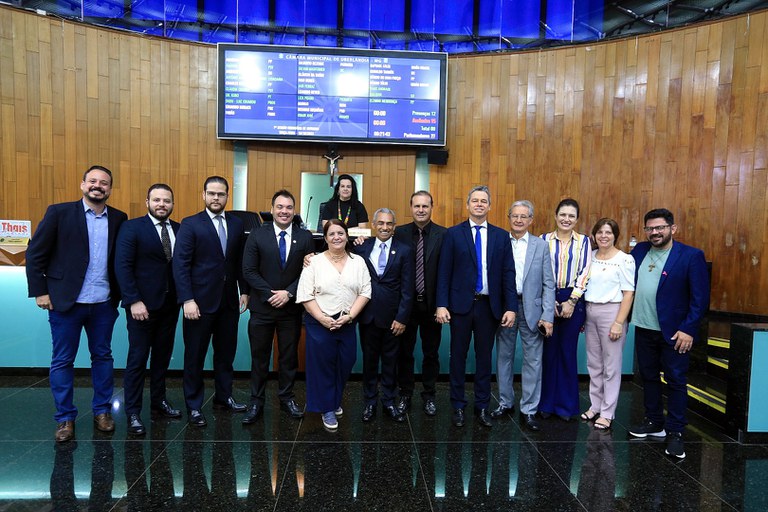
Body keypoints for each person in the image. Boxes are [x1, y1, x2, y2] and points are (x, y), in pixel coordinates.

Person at [26, 165, 128, 443]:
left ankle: (102, 412)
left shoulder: (119, 218)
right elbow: (35, 254)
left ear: (110, 189)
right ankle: (65, 418)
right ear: (82, 184)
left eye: (104, 183)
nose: (98, 186)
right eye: (93, 181)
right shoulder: (59, 213)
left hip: (103, 303)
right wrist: (40, 291)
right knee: (62, 360)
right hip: (65, 303)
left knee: (103, 357)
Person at [628, 208, 709, 459]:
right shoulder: (639, 251)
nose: (655, 232)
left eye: (660, 227)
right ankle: (654, 422)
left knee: (675, 380)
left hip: (675, 332)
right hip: (644, 327)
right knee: (648, 377)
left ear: (672, 228)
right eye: (650, 228)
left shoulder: (691, 256)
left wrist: (688, 329)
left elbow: (700, 299)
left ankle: (675, 432)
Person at [435, 185, 518, 428]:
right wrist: (441, 304)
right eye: (475, 201)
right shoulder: (453, 234)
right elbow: (444, 272)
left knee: (484, 359)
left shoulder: (501, 236)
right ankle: (458, 406)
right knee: (458, 358)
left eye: (483, 201)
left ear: (490, 206)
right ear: (468, 205)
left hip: (488, 307)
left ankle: (482, 406)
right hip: (460, 306)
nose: (479, 204)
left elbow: (508, 274)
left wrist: (511, 307)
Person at [173, 176, 250, 427]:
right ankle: (194, 406)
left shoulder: (237, 224)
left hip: (228, 303)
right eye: (212, 193)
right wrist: (187, 299)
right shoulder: (190, 224)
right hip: (198, 304)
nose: (216, 198)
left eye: (221, 194)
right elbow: (181, 264)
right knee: (194, 356)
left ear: (227, 196)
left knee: (225, 354)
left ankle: (223, 397)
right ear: (204, 195)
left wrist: (244, 291)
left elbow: (238, 261)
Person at [115, 183, 183, 436]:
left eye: (166, 200)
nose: (161, 204)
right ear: (147, 202)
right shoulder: (132, 227)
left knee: (162, 357)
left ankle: (158, 402)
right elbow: (122, 265)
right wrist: (133, 300)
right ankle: (133, 411)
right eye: (157, 200)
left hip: (170, 305)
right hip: (141, 306)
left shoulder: (179, 229)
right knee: (137, 359)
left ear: (172, 204)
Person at [241, 190, 314, 424]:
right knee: (259, 357)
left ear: (294, 211)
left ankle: (287, 398)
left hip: (290, 309)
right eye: (280, 207)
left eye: (289, 207)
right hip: (262, 308)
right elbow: (248, 270)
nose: (284, 211)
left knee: (288, 357)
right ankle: (256, 401)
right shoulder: (256, 234)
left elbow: (309, 272)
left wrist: (288, 293)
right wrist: (269, 294)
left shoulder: (305, 237)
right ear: (272, 209)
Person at [296, 219, 371, 431]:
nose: (336, 237)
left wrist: (350, 316)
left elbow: (365, 291)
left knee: (346, 362)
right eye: (331, 234)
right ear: (325, 238)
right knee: (323, 366)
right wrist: (322, 318)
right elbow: (305, 294)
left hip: (346, 321)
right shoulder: (314, 262)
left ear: (347, 236)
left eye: (340, 233)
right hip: (319, 322)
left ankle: (334, 399)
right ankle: (327, 408)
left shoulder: (358, 262)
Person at [493, 200, 555, 431]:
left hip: (533, 310)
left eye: (524, 216)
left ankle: (529, 409)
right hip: (505, 309)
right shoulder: (499, 241)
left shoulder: (541, 246)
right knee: (504, 357)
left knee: (533, 361)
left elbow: (548, 283)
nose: (518, 220)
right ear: (509, 217)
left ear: (531, 220)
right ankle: (505, 402)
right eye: (515, 216)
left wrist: (548, 315)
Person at [355, 208, 414, 423]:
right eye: (380, 223)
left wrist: (402, 318)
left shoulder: (404, 250)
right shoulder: (362, 247)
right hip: (368, 315)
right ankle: (369, 402)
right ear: (373, 224)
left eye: (389, 223)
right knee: (369, 362)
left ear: (394, 227)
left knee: (391, 362)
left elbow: (408, 288)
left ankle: (389, 401)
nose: (384, 227)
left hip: (393, 318)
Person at [393, 191, 446, 416]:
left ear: (432, 207)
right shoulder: (399, 233)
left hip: (432, 306)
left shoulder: (443, 234)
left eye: (425, 206)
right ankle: (405, 394)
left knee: (431, 353)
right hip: (406, 306)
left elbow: (446, 272)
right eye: (417, 206)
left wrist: (443, 304)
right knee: (404, 353)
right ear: (411, 208)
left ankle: (429, 395)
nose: (421, 210)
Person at [540, 198, 592, 421]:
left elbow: (585, 272)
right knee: (549, 352)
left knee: (567, 352)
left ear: (577, 219)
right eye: (563, 214)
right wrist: (548, 300)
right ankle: (546, 404)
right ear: (555, 216)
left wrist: (572, 301)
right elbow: (539, 270)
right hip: (548, 297)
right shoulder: (543, 240)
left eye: (571, 216)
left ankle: (566, 406)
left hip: (573, 299)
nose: (566, 219)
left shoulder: (584, 242)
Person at [582, 218, 635, 431]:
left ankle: (607, 412)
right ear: (594, 235)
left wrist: (618, 323)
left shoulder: (624, 259)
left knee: (611, 366)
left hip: (612, 313)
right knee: (594, 364)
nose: (604, 236)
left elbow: (628, 293)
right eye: (600, 232)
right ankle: (595, 405)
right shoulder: (590, 256)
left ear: (615, 235)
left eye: (608, 232)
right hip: (590, 311)